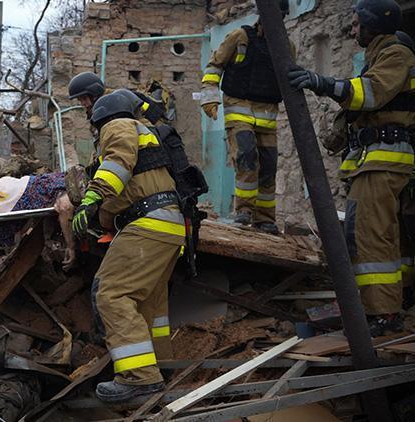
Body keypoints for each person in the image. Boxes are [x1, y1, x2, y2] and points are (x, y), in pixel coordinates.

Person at [289, 0, 415, 335]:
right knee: (389, 237)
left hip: (383, 161)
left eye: (358, 24)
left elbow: (370, 93)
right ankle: (398, 300)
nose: (353, 30)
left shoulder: (396, 53)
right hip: (375, 160)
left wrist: (323, 83)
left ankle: (383, 313)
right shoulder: (381, 54)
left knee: (368, 235)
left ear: (374, 25)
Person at [72, 92, 185, 402]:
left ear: (100, 118)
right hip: (170, 225)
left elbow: (117, 165)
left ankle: (138, 377)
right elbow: (129, 184)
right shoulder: (144, 131)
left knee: (112, 294)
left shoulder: (118, 125)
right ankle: (160, 365)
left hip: (147, 224)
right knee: (150, 304)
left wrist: (91, 199)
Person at [200, 0, 293, 234]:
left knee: (269, 165)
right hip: (239, 107)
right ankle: (243, 211)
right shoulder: (239, 36)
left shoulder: (286, 47)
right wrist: (209, 99)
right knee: (247, 156)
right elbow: (214, 66)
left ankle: (265, 219)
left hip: (268, 116)